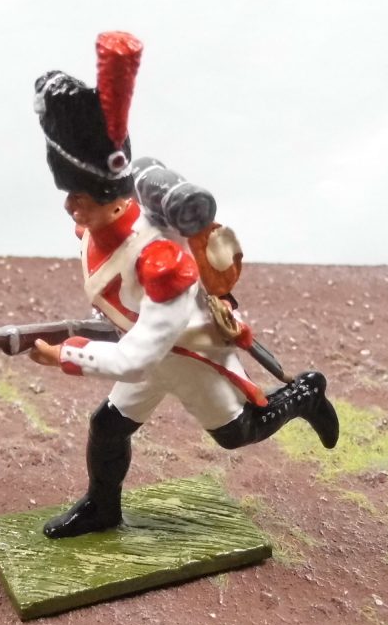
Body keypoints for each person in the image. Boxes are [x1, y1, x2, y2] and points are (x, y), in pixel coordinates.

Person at [28, 32, 338, 539]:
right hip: (149, 352)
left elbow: (137, 358)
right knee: (108, 427)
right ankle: (102, 508)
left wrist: (66, 353)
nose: (70, 208)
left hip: (188, 355)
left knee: (237, 434)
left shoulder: (162, 262)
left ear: (112, 198)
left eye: (79, 199)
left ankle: (304, 394)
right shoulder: (94, 232)